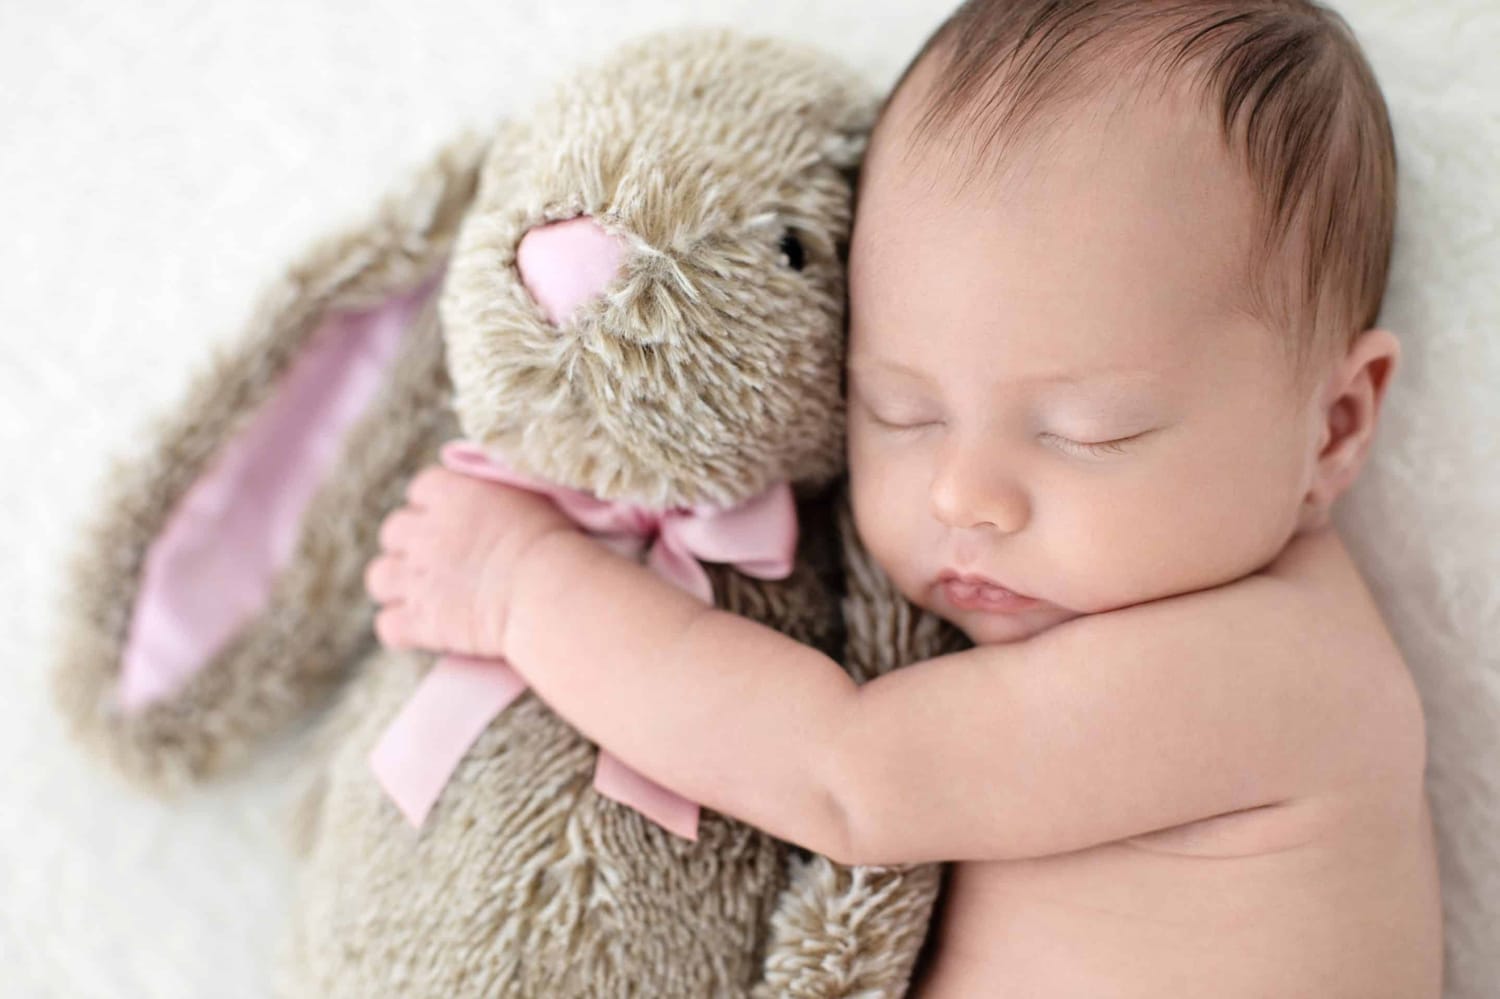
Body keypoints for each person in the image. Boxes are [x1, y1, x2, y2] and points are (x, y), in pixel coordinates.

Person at [364, 1, 1444, 993]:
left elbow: (846, 777)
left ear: (1334, 427)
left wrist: (525, 585)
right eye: (900, 413)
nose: (964, 493)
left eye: (1088, 433)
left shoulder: (1270, 672)